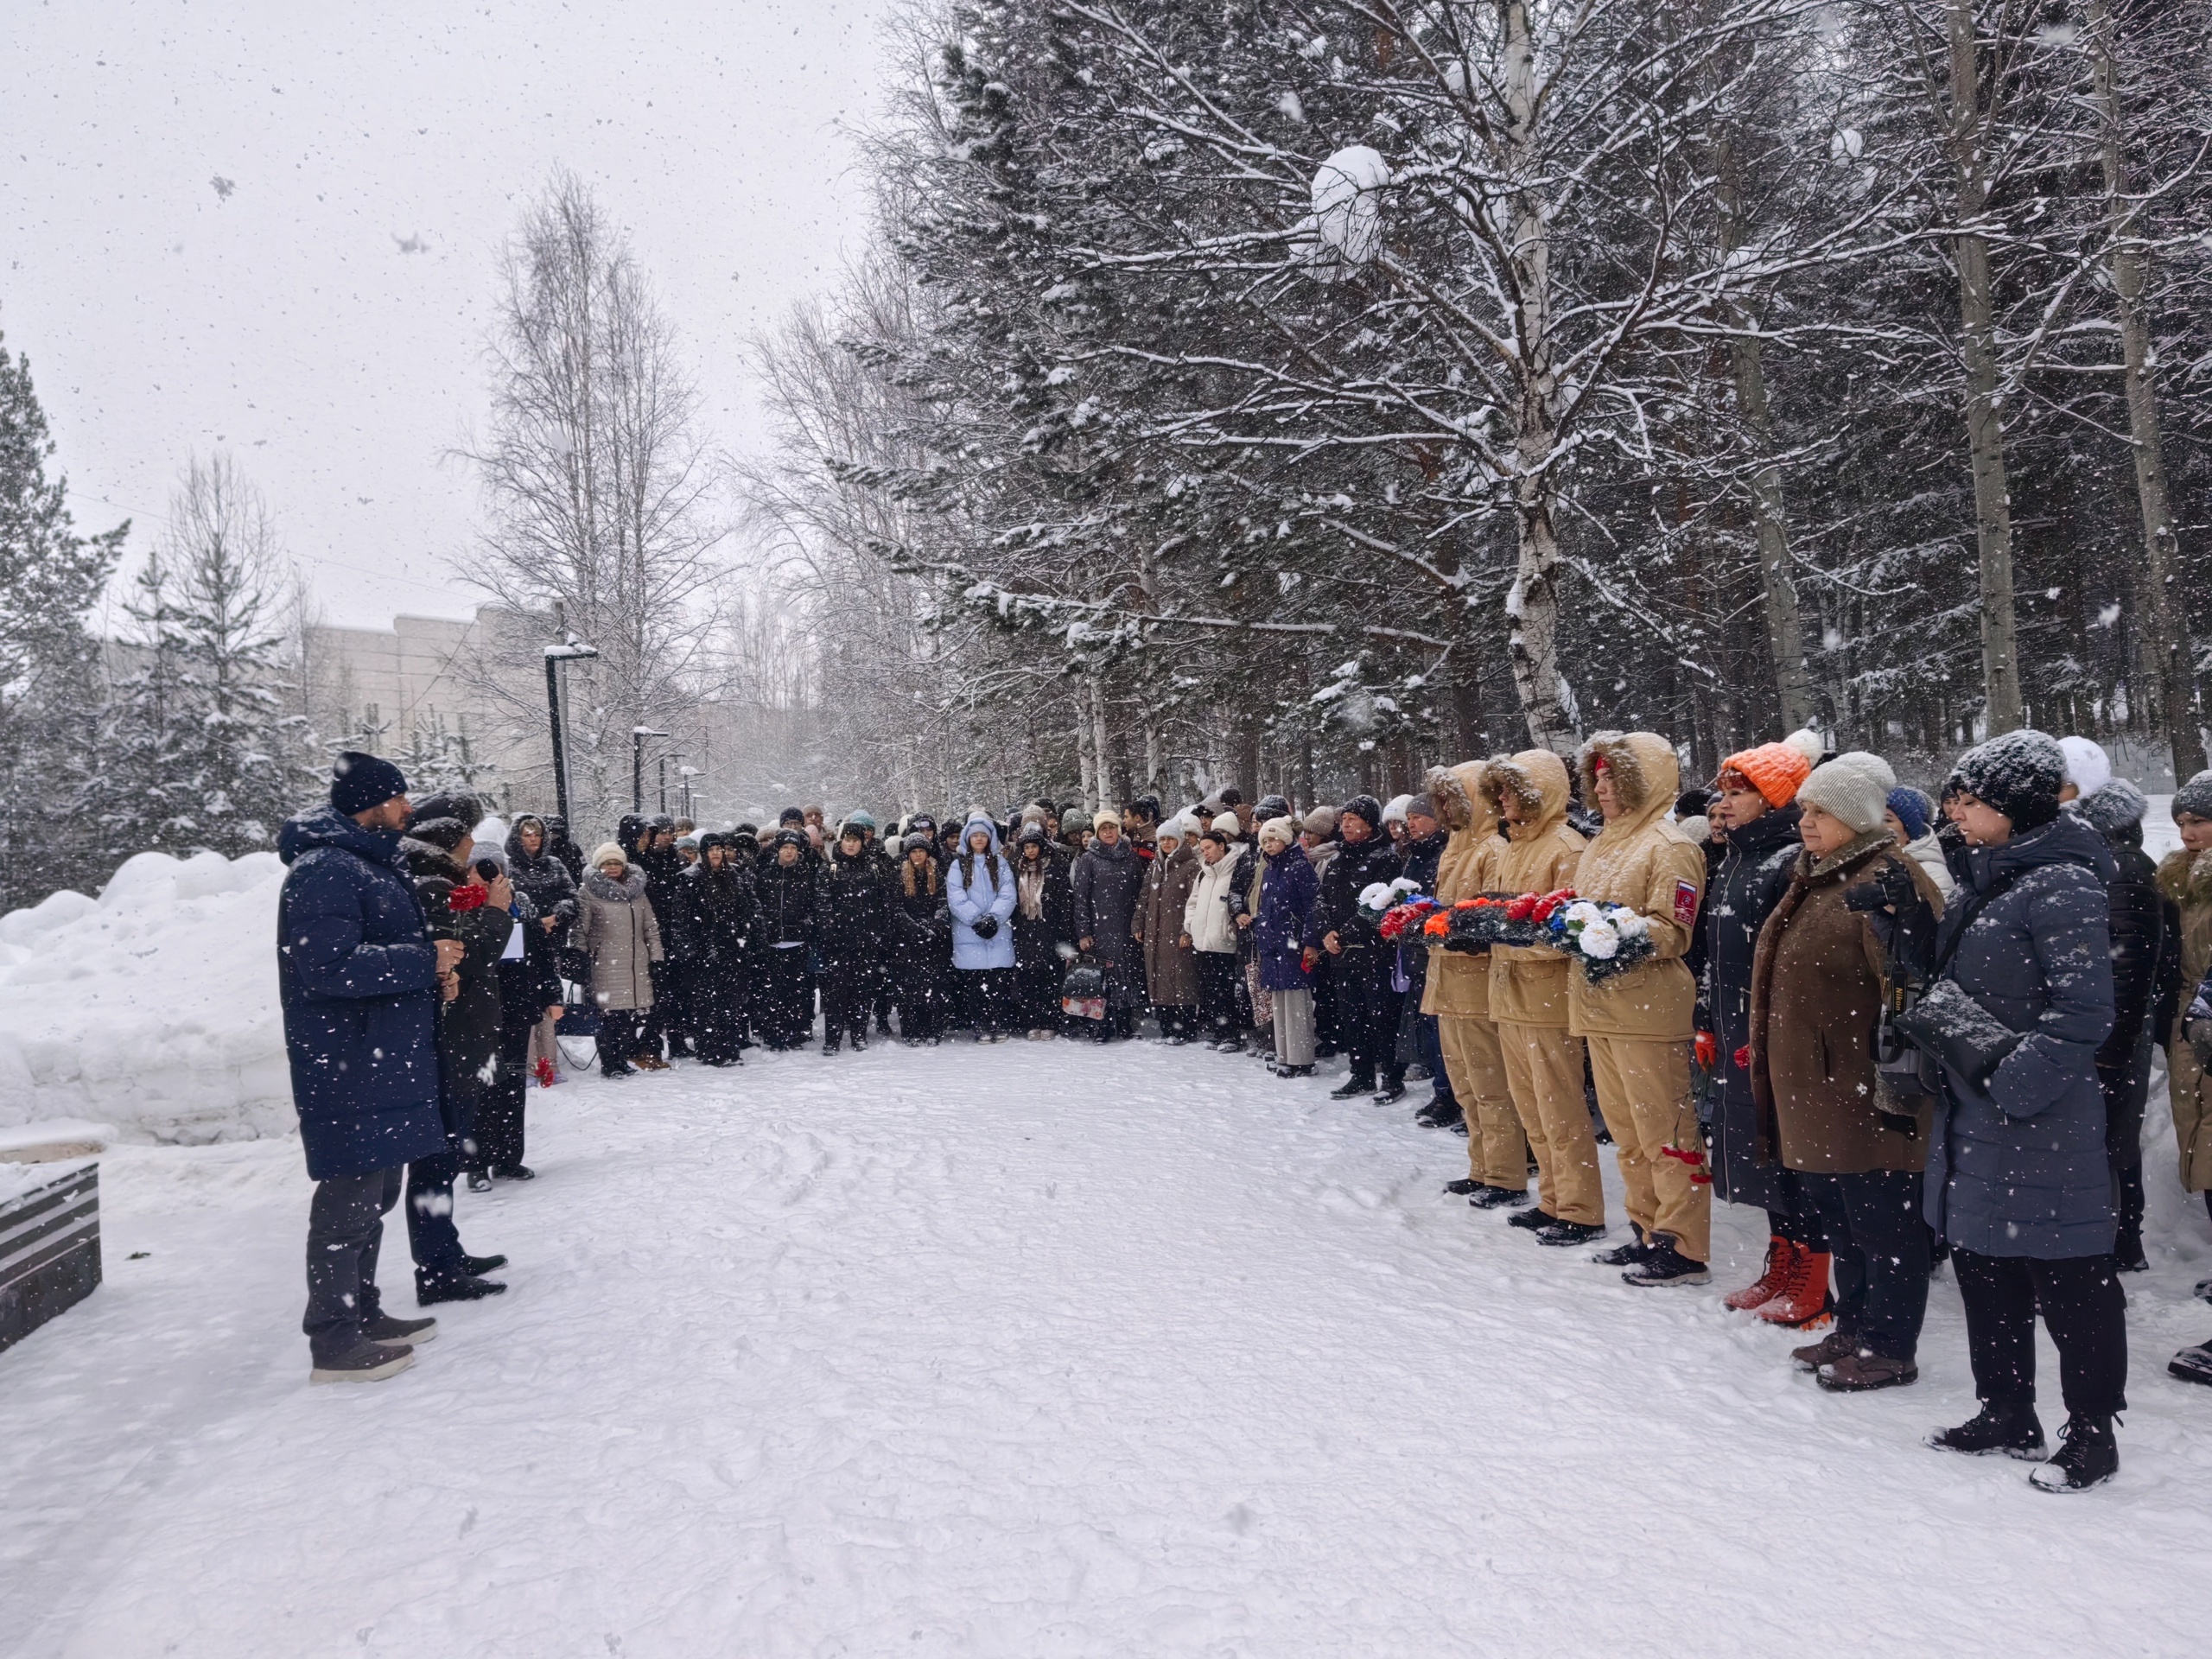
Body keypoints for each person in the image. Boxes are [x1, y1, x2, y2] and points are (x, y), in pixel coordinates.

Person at [1919, 731, 2124, 1493]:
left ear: (2014, 808)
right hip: (1977, 1106)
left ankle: (2092, 1434)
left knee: (2070, 1277)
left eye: (1970, 801)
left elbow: (2084, 1011)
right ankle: (2006, 1409)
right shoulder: (1992, 874)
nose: (1957, 813)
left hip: (2039, 1117)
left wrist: (2014, 1085)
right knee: (1985, 1261)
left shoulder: (2063, 882)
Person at [1750, 753, 1942, 1392]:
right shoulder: (1819, 875)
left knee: (1883, 1224)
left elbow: (1910, 992)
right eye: (1803, 807)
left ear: (1856, 817)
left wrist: (1896, 1093)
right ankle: (1857, 1327)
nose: (1804, 820)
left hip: (1869, 1093)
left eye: (1819, 810)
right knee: (1844, 1222)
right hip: (1820, 1092)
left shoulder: (1886, 879)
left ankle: (1890, 1347)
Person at [275, 753, 452, 1383]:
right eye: (401, 798)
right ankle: (333, 1339)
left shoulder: (366, 863)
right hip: (348, 1062)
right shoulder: (326, 869)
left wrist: (431, 973)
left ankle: (363, 1311)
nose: (409, 809)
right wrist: (421, 960)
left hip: (379, 1059)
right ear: (371, 803)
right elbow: (325, 967)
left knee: (376, 1193)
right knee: (347, 1203)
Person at [1569, 733, 1712, 1284]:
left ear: (1642, 781)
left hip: (1648, 1011)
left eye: (1612, 778)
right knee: (1628, 1132)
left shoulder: (1670, 846)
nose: (1601, 788)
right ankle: (1646, 1228)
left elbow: (1675, 930)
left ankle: (1684, 1245)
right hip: (1600, 1006)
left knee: (1667, 1133)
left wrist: (1615, 932)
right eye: (1597, 778)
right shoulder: (1603, 843)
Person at [1699, 733, 1822, 1319]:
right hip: (1737, 1037)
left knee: (1793, 1161)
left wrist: (1768, 1033)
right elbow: (1714, 956)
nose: (1725, 803)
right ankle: (1781, 1259)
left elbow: (1790, 964)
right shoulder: (1736, 860)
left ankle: (1814, 1280)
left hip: (1773, 1042)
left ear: (1774, 800)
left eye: (1738, 792)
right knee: (1761, 1162)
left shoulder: (1786, 864)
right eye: (1723, 791)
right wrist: (1708, 1021)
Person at [398, 794, 512, 1305]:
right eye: (466, 835)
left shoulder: (440, 884)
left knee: (442, 1157)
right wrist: (496, 911)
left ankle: (446, 1253)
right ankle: (437, 1269)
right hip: (451, 1042)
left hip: (461, 1038)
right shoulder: (430, 886)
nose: (473, 845)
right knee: (438, 1160)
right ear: (446, 840)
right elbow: (474, 957)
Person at [1481, 750, 1599, 1240]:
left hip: (1546, 998)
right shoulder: (1511, 847)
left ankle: (1578, 1207)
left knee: (1559, 1105)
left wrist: (1508, 938)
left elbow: (1566, 932)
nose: (1502, 799)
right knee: (1531, 1105)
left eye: (1511, 789)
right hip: (1510, 994)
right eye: (1500, 791)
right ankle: (1552, 1197)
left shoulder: (1565, 849)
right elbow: (1502, 915)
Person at [2066, 769, 2169, 1273]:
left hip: (2118, 1024)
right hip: (2122, 1022)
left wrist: (2111, 1044)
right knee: (2115, 1138)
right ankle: (2123, 1243)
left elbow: (2127, 960)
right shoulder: (2121, 863)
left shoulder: (2120, 869)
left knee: (2109, 1138)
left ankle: (2115, 1246)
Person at [1422, 762, 1522, 1195]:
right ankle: (1482, 1167)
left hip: (1478, 983)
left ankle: (1505, 1173)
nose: (1443, 808)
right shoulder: (1453, 846)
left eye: (1451, 798)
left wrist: (1456, 930)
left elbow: (1492, 919)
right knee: (1465, 1084)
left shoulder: (1492, 849)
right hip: (1447, 979)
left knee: (1490, 1083)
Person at [467, 845, 560, 1189]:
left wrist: (552, 996)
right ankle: (476, 1163)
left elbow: (542, 954)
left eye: (492, 867)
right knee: (483, 1086)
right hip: (478, 1011)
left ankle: (508, 1158)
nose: (486, 874)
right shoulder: (464, 903)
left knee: (512, 1086)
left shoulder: (521, 903)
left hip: (517, 1009)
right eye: (478, 867)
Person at [1313, 795, 1408, 1101]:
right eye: (1344, 820)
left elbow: (1380, 904)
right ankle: (1361, 1074)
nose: (1347, 825)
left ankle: (1393, 1078)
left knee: (1382, 1017)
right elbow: (1321, 899)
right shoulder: (1339, 860)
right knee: (1352, 1017)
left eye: (1353, 819)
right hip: (1342, 954)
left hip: (1375, 953)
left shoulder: (1385, 858)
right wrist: (1326, 931)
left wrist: (1344, 931)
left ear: (1369, 824)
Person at [2157, 770, 2212, 1248]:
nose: (2187, 833)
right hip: (2190, 1020)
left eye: (2198, 820)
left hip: (2206, 1018)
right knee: (2199, 1132)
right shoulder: (2179, 877)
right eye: (2180, 823)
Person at [577, 839, 667, 1076]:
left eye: (616, 863)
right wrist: (579, 959)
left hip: (636, 965)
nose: (612, 867)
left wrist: (656, 958)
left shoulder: (637, 893)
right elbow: (580, 931)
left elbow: (651, 928)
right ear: (599, 867)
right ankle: (610, 1063)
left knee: (629, 1016)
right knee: (609, 1017)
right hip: (606, 963)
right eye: (607, 863)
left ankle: (622, 1059)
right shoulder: (587, 892)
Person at [1397, 791, 1459, 1128]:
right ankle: (1442, 1091)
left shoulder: (1444, 852)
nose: (1411, 824)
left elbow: (1438, 903)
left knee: (1445, 1031)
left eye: (1418, 817)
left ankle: (1452, 1096)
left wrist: (1418, 917)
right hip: (1419, 951)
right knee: (1431, 1027)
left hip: (1437, 950)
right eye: (1409, 819)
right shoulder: (1415, 853)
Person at [506, 814, 578, 1087]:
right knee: (522, 1004)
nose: (533, 839)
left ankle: (548, 1067)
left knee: (549, 1004)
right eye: (527, 834)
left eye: (536, 834)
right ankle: (524, 1069)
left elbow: (572, 898)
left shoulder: (555, 865)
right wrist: (532, 925)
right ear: (517, 837)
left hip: (551, 943)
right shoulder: (510, 867)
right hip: (519, 945)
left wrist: (556, 917)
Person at [677, 833, 757, 1065]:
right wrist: (689, 950)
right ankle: (710, 1050)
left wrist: (747, 940)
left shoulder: (736, 876)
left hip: (732, 949)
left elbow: (748, 911)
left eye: (719, 849)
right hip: (703, 952)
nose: (715, 853)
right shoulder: (690, 879)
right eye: (710, 849)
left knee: (730, 1003)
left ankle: (730, 1049)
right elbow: (681, 920)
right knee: (707, 1005)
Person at [1252, 817, 1320, 1075]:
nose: (1269, 845)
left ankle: (1301, 1059)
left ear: (1286, 839)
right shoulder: (1270, 869)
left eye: (1274, 839)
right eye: (1265, 841)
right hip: (1273, 944)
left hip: (1293, 944)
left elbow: (1313, 905)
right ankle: (1285, 1055)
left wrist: (1309, 941)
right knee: (1279, 1002)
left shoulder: (1300, 867)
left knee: (1296, 1003)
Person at [1074, 810, 1146, 1040]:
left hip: (1126, 928)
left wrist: (1138, 923)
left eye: (1112, 827)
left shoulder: (1132, 857)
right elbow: (1081, 898)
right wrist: (1084, 931)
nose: (1108, 832)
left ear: (1119, 829)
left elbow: (1141, 894)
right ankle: (1100, 1027)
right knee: (1100, 979)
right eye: (1103, 829)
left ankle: (1124, 1024)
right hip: (1100, 929)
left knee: (1126, 977)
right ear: (1097, 833)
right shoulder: (1088, 859)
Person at [947, 812, 1018, 1040]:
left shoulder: (1000, 863)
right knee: (975, 985)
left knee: (999, 984)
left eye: (983, 836)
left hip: (998, 932)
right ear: (967, 838)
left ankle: (999, 1023)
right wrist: (976, 918)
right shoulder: (958, 865)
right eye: (974, 835)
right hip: (969, 933)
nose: (979, 839)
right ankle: (981, 1025)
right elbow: (955, 897)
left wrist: (994, 918)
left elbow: (1008, 894)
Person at [753, 828, 822, 1050]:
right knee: (774, 993)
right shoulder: (765, 876)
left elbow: (815, 906)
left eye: (793, 848)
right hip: (773, 944)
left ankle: (796, 1034)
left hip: (798, 943)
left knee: (798, 992)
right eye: (785, 848)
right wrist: (765, 928)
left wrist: (806, 925)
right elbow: (758, 909)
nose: (789, 852)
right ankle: (775, 1035)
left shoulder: (806, 875)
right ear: (778, 850)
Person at [1185, 814, 1248, 1048]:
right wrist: (1191, 925)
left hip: (1226, 942)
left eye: (1209, 848)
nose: (1205, 853)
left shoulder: (1235, 871)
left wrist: (1231, 929)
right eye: (1202, 849)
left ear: (1222, 847)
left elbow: (1239, 901)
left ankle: (1230, 1033)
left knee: (1227, 991)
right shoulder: (1204, 874)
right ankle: (1218, 1030)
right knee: (1211, 990)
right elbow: (1192, 902)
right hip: (1203, 941)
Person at [1137, 813, 1201, 1040]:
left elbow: (1195, 901)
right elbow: (1144, 897)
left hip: (1178, 933)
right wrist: (1139, 922)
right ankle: (1167, 1026)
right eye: (1162, 839)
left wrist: (1187, 930)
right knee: (1161, 980)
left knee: (1182, 980)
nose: (1166, 843)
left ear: (1180, 841)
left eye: (1171, 839)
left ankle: (1185, 1028)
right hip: (1156, 934)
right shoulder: (1155, 866)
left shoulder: (1190, 866)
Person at [1011, 822, 1075, 1037]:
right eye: (1026, 847)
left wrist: (1065, 932)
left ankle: (1050, 1021)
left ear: (1041, 847)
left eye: (1033, 847)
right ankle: (1032, 1021)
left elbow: (1065, 903)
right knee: (1028, 979)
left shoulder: (1055, 868)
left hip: (1050, 931)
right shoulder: (1017, 869)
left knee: (1050, 979)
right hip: (1025, 931)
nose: (1030, 851)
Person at [891, 831, 953, 1045]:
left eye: (921, 851)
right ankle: (910, 1030)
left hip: (935, 940)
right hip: (908, 941)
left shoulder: (937, 873)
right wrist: (915, 929)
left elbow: (944, 903)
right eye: (914, 851)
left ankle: (933, 1030)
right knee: (909, 989)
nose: (918, 855)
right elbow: (896, 909)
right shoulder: (899, 875)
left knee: (934, 988)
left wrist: (934, 926)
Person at [1300, 806, 1342, 1058]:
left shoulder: (1330, 858)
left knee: (1329, 989)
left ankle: (1333, 1036)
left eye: (1312, 832)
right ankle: (1327, 1033)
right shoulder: (1314, 858)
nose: (1308, 836)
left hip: (1328, 933)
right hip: (1318, 929)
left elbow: (1322, 897)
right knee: (1322, 988)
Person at [1885, 786, 1955, 905]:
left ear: (1907, 832)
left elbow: (1943, 920)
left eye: (1887, 820)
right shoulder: (1874, 866)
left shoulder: (1932, 874)